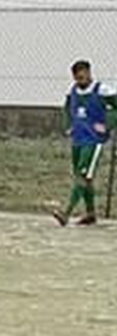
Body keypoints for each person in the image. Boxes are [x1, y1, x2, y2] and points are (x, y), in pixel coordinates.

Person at [53, 60, 117, 226]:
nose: (81, 80)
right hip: (78, 139)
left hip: (93, 140)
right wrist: (69, 126)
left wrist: (108, 125)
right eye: (77, 77)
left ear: (89, 73)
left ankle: (66, 213)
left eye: (83, 75)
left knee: (82, 175)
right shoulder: (73, 91)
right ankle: (90, 214)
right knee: (83, 177)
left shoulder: (102, 90)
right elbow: (67, 108)